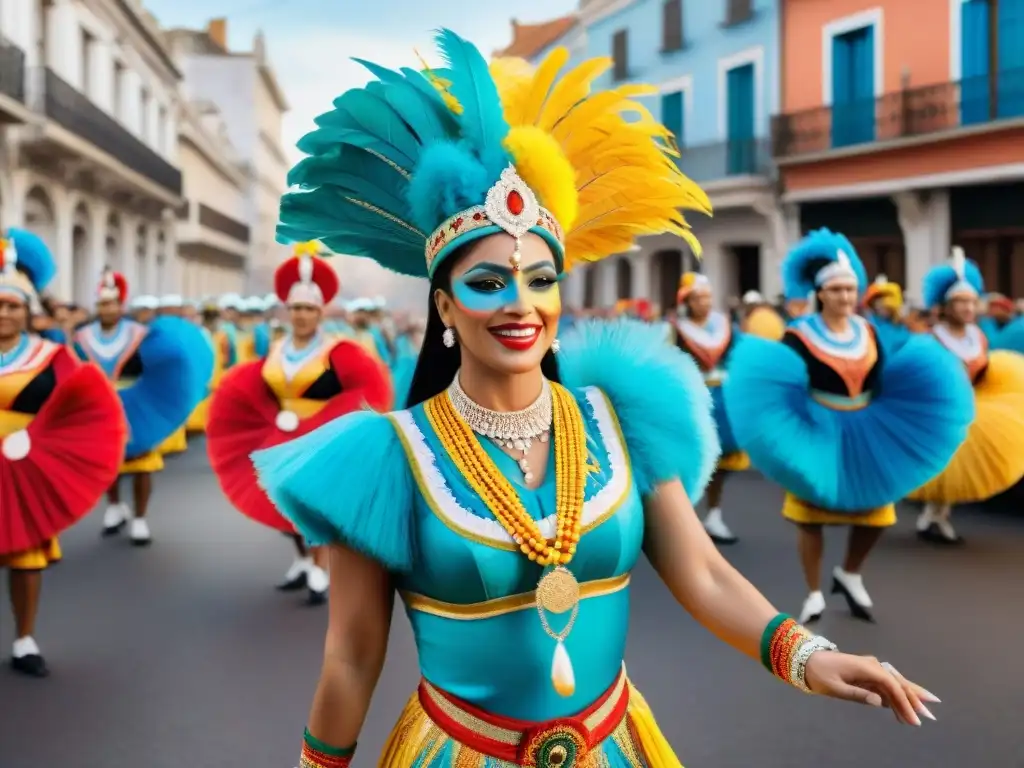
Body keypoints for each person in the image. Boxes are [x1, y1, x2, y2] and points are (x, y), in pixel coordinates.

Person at [253, 33, 938, 768]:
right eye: (488, 283)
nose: (521, 303)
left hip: (617, 746)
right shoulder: (387, 459)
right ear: (445, 309)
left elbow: (703, 575)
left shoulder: (622, 416)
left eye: (541, 280)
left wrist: (808, 658)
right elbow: (352, 660)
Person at [724, 229, 973, 624]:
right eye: (837, 290)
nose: (845, 297)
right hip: (818, 427)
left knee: (878, 513)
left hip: (865, 425)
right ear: (820, 293)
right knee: (811, 515)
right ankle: (813, 592)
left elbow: (881, 376)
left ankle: (850, 572)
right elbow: (784, 384)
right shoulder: (799, 336)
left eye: (850, 289)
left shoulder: (869, 331)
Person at [206, 244, 392, 604]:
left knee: (315, 507)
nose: (301, 315)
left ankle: (320, 569)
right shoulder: (277, 348)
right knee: (285, 502)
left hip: (322, 440)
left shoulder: (338, 350)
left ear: (320, 312)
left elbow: (365, 388)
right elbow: (260, 385)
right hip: (281, 436)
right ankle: (300, 560)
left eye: (308, 308)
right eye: (295, 309)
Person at [0, 228, 126, 677]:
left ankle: (24, 638)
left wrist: (37, 438)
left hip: (23, 467)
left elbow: (82, 406)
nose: (4, 312)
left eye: (12, 305)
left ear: (27, 311)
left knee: (26, 557)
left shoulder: (51, 355)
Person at [74, 269, 212, 545]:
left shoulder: (140, 334)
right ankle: (114, 506)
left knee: (141, 463)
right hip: (100, 403)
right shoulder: (83, 336)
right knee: (108, 460)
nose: (107, 309)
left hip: (137, 402)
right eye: (102, 304)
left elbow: (163, 360)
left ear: (121, 306)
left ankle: (139, 517)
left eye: (112, 303)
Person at [908, 248, 1024, 544]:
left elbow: (983, 369)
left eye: (972, 301)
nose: (968, 308)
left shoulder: (979, 336)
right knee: (941, 467)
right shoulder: (932, 338)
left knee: (957, 469)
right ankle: (933, 518)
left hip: (971, 408)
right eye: (960, 302)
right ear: (945, 307)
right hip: (937, 410)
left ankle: (936, 518)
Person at [671, 272, 746, 544]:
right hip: (690, 398)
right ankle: (681, 517)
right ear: (687, 301)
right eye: (698, 298)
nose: (704, 302)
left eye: (707, 297)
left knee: (722, 461)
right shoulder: (674, 329)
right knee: (687, 460)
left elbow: (739, 357)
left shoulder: (726, 326)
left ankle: (714, 514)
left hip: (723, 400)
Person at [861, 275, 911, 354]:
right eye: (876, 304)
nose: (879, 307)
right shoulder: (870, 325)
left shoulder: (903, 325)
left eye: (886, 308)